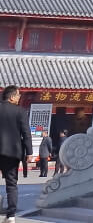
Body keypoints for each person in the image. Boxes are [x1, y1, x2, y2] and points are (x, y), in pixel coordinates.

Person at [1, 85, 31, 223]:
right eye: (18, 95)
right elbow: (26, 134)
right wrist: (29, 152)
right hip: (13, 152)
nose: (19, 98)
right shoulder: (20, 112)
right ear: (12, 97)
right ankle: (11, 215)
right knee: (11, 184)